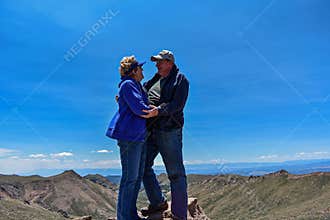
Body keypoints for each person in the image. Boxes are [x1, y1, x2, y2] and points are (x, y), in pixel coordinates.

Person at [106, 55, 157, 220]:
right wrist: (156, 111)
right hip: (130, 138)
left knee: (135, 178)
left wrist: (150, 107)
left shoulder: (135, 85)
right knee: (130, 178)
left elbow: (140, 105)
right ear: (134, 71)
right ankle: (124, 216)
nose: (142, 71)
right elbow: (139, 109)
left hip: (138, 137)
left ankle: (130, 214)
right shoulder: (128, 84)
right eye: (140, 68)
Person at [141, 50, 190, 220]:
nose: (156, 64)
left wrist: (158, 111)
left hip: (169, 130)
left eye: (160, 61)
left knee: (175, 174)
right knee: (143, 166)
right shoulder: (154, 80)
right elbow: (141, 90)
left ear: (169, 62)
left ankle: (179, 215)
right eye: (156, 62)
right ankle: (158, 202)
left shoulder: (180, 79)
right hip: (151, 130)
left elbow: (177, 105)